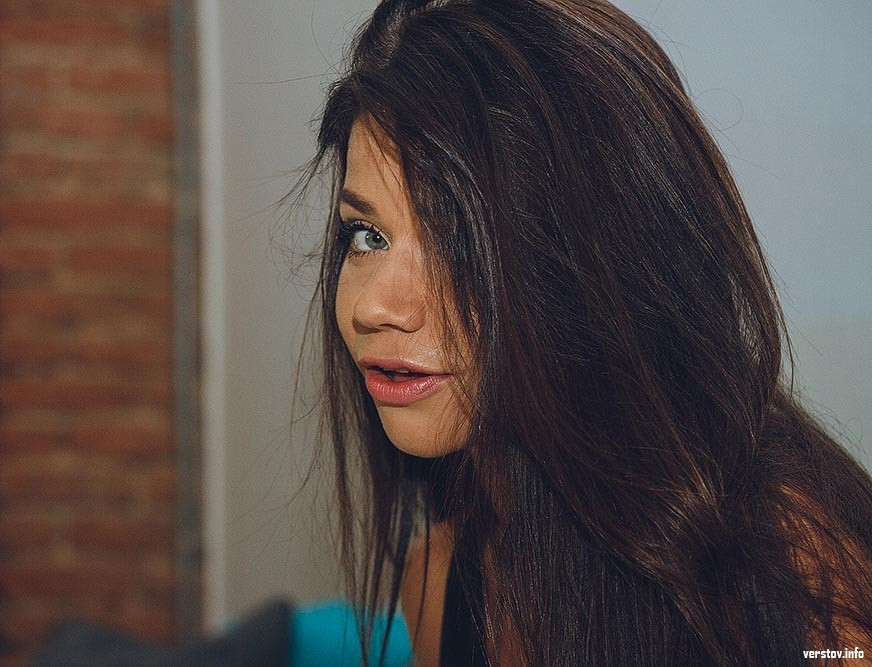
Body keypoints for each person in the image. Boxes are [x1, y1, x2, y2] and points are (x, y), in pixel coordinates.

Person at [287, 0, 872, 664]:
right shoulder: (437, 581)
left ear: (596, 266)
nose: (373, 306)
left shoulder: (806, 588)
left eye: (457, 237)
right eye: (367, 235)